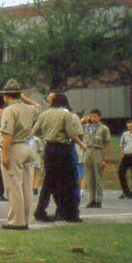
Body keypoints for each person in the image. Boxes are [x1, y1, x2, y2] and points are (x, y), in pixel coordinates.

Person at [32, 92, 86, 222]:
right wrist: (82, 144)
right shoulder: (65, 114)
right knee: (69, 181)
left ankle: (40, 210)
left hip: (49, 148)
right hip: (62, 148)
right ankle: (72, 214)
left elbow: (34, 130)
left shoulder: (44, 114)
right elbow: (71, 133)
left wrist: (47, 133)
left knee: (49, 181)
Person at [0, 81, 41, 230]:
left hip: (14, 148)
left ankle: (16, 220)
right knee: (27, 187)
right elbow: (38, 107)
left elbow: (7, 134)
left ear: (6, 96)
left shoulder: (9, 110)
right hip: (28, 147)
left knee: (14, 186)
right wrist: (25, 98)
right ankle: (25, 218)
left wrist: (4, 155)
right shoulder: (29, 108)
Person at [81, 110, 111, 208]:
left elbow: (107, 143)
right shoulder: (87, 127)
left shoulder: (104, 128)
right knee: (89, 177)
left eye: (94, 116)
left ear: (99, 117)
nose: (92, 118)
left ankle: (99, 200)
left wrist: (105, 158)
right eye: (91, 116)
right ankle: (92, 199)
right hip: (88, 150)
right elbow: (76, 126)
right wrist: (84, 119)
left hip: (98, 151)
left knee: (98, 177)